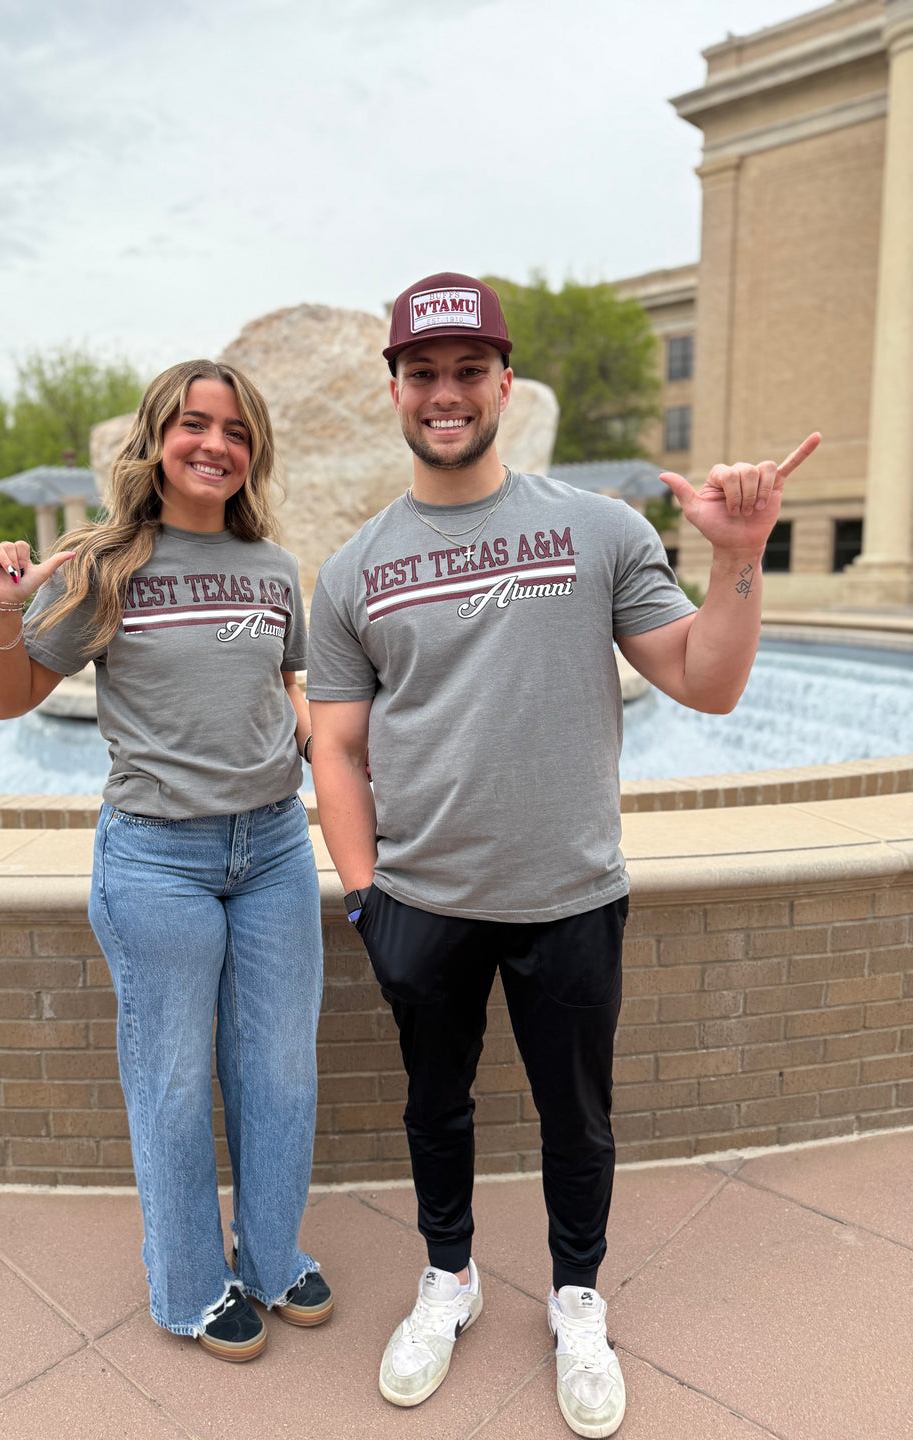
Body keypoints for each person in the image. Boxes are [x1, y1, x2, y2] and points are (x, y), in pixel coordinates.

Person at [307, 272, 818, 1435]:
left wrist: (740, 560)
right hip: (424, 902)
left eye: (467, 371)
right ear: (395, 389)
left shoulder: (597, 528)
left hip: (572, 896)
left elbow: (704, 679)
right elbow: (334, 747)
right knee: (435, 1110)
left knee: (576, 1120)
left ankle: (577, 1302)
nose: (446, 394)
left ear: (503, 382)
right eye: (423, 373)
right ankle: (451, 1278)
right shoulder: (352, 571)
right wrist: (364, 895)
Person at [0, 359, 331, 1362]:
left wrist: (324, 744)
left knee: (280, 1073)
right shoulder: (106, 566)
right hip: (156, 861)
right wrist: (4, 610)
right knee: (172, 1082)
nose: (215, 444)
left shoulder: (272, 569)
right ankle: (188, 1285)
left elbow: (286, 683)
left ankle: (270, 1253)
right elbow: (13, 697)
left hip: (271, 850)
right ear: (158, 440)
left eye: (236, 431)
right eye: (194, 425)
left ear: (252, 452)